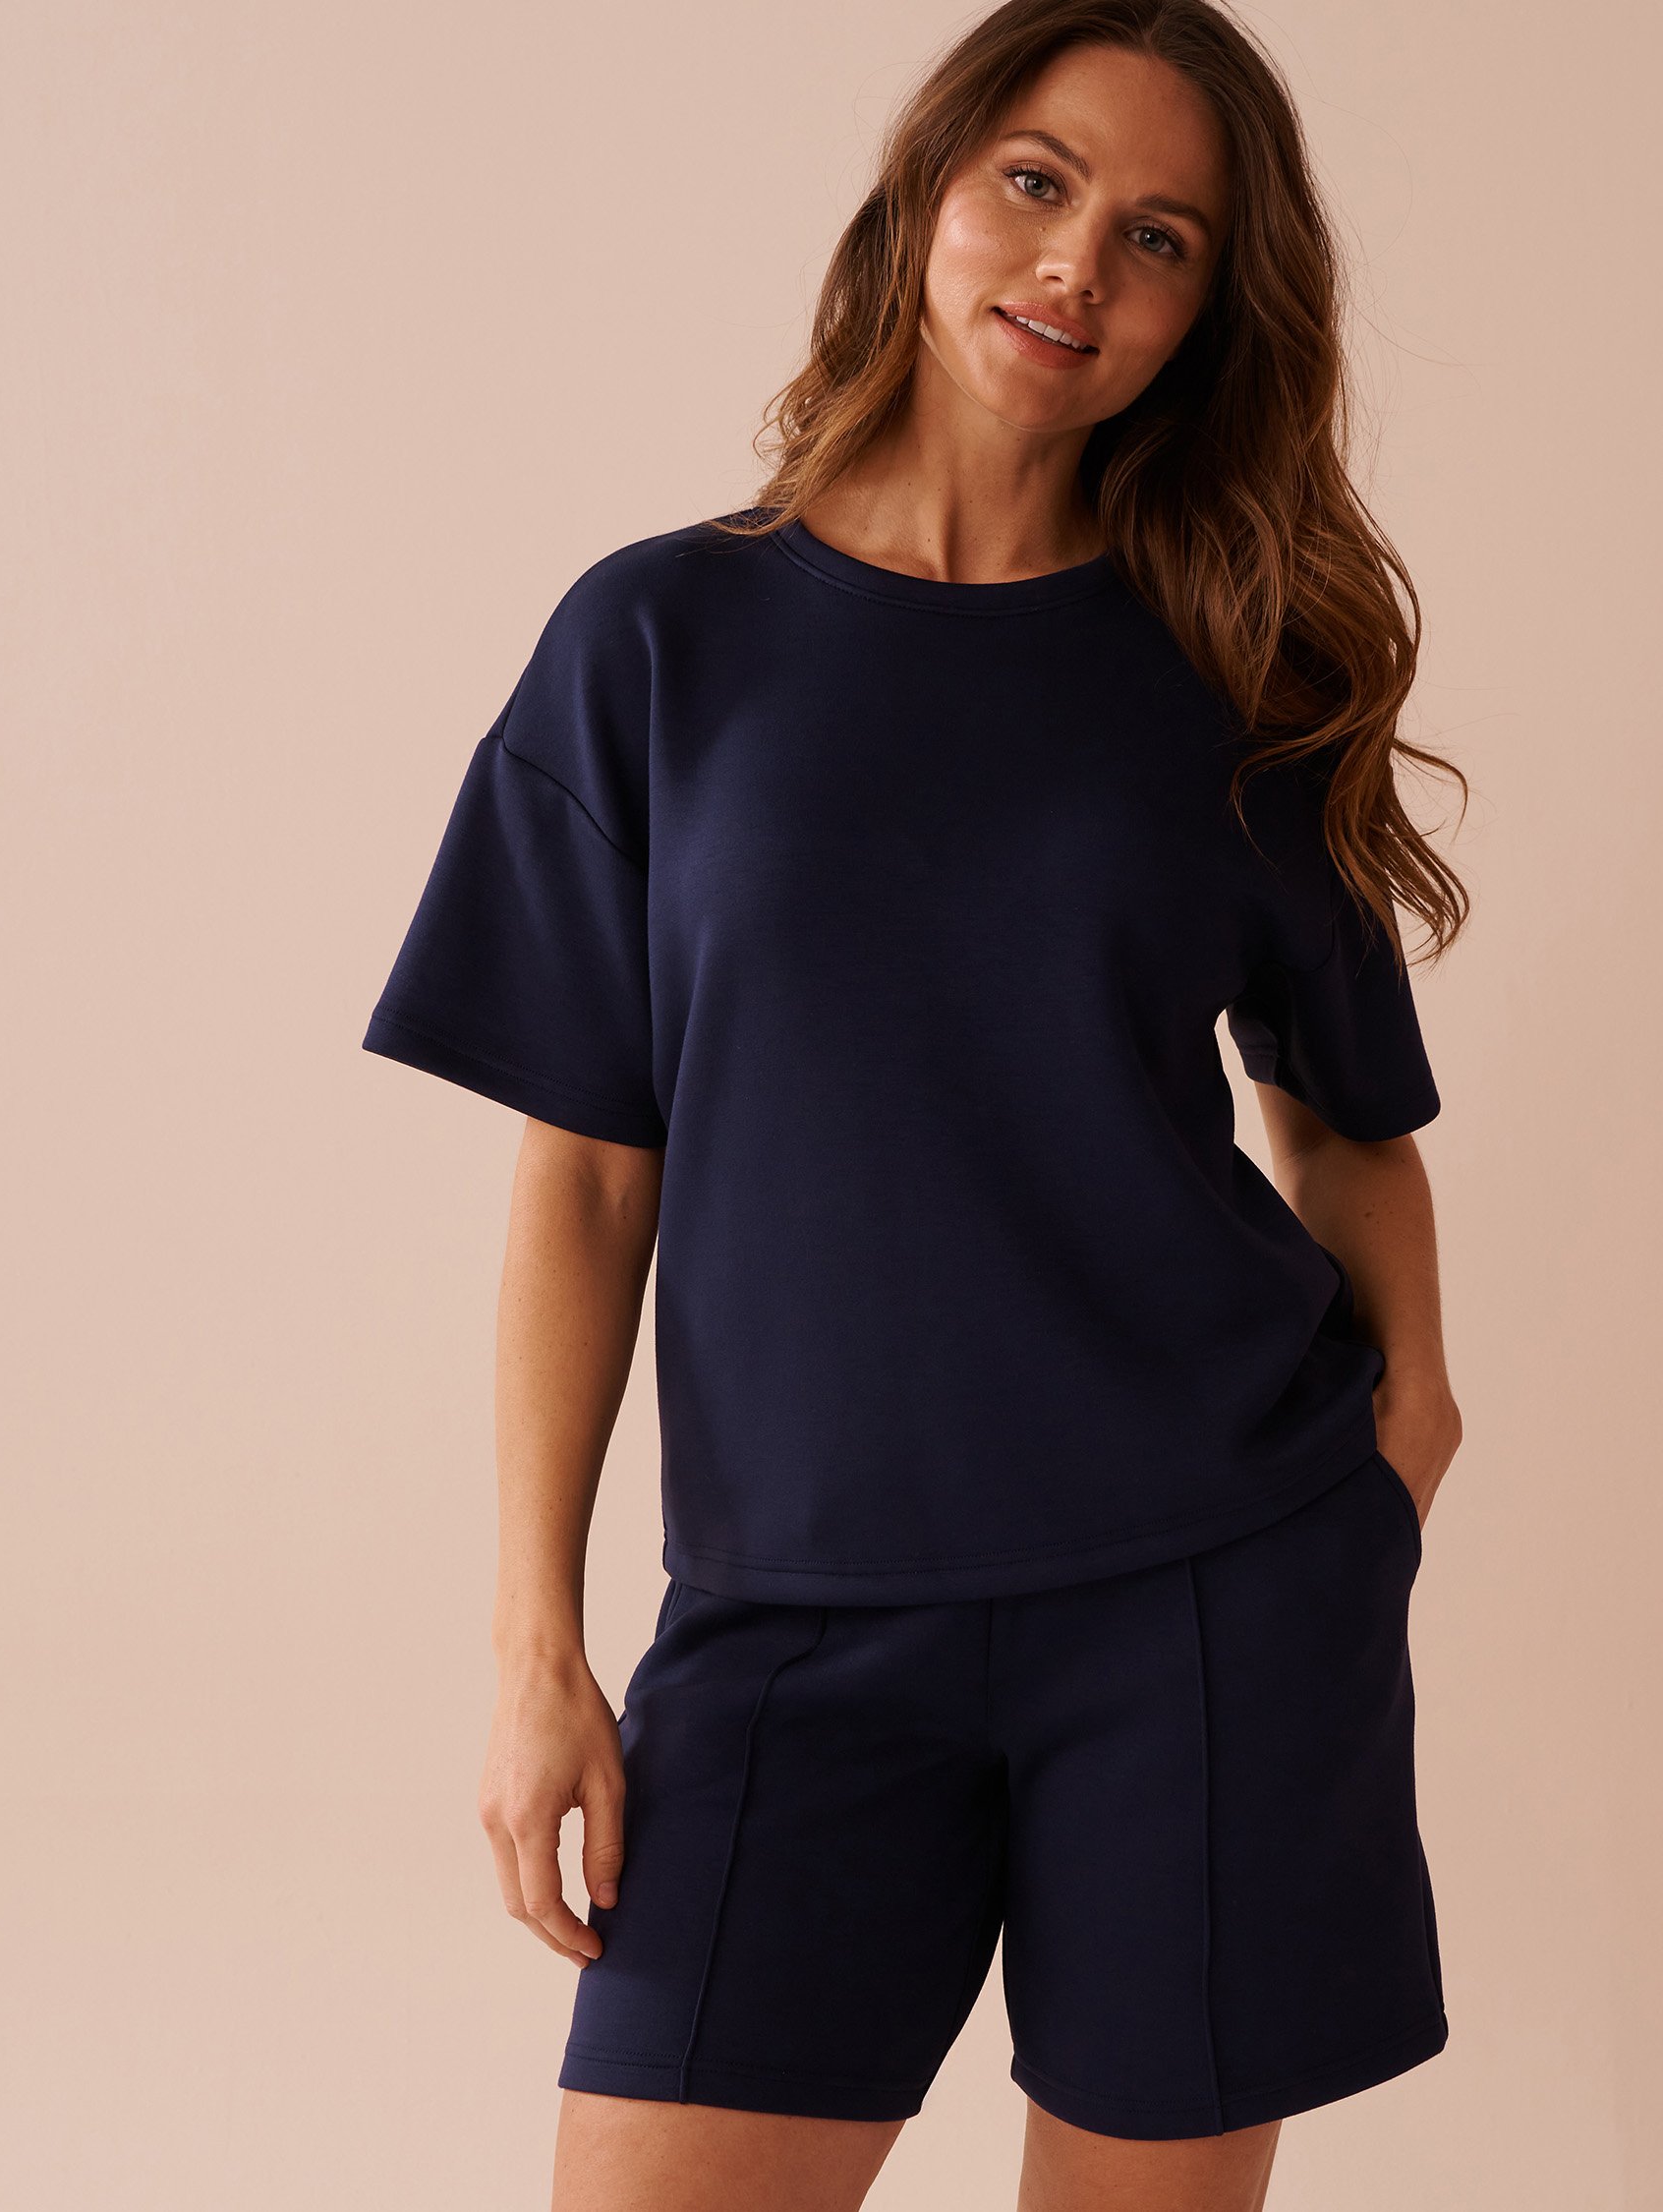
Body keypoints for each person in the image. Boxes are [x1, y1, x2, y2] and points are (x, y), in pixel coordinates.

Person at [361, 0, 1469, 2203]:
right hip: (787, 1622)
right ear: (926, 193)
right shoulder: (659, 641)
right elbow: (587, 1178)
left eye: (1160, 237)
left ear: (1206, 312)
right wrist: (534, 1647)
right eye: (1038, 184)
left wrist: (1408, 1434)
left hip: (1206, 1599)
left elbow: (1345, 1119)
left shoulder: (1236, 665)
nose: (1078, 266)